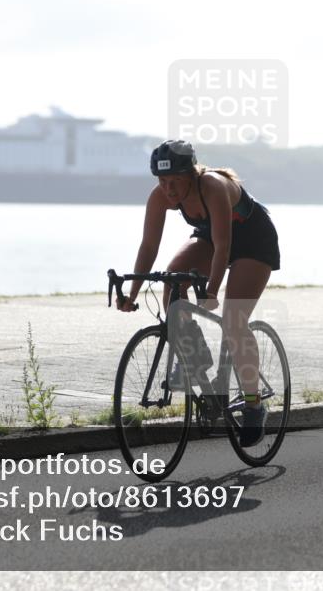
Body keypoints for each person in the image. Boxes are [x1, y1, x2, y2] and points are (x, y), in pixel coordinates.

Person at [117, 139, 281, 447]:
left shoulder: (213, 186)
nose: (169, 189)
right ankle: (196, 354)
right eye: (162, 181)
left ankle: (254, 404)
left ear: (191, 173)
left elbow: (225, 247)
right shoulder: (159, 196)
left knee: (233, 322)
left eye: (175, 180)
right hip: (211, 237)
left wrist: (212, 290)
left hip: (253, 240)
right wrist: (133, 292)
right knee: (172, 278)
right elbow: (149, 247)